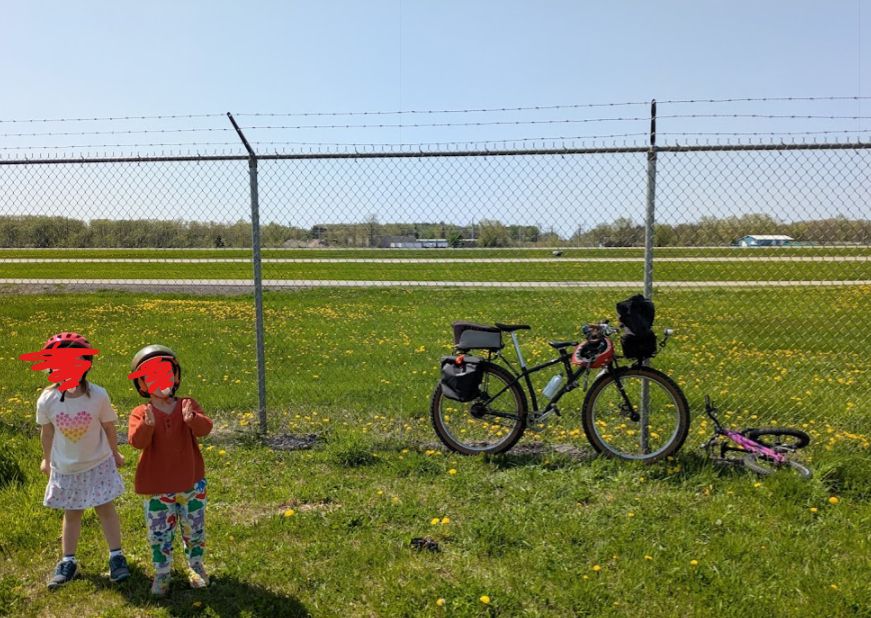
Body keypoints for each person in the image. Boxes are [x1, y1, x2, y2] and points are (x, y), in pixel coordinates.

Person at [27, 332, 129, 589]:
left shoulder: (98, 396)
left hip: (99, 463)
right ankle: (68, 561)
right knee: (72, 514)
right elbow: (47, 431)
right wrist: (46, 460)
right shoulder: (47, 400)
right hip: (67, 468)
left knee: (106, 509)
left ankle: (116, 556)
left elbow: (108, 426)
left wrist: (115, 453)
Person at [127, 345, 213, 597]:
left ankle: (196, 565)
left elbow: (205, 429)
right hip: (157, 490)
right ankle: (162, 573)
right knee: (159, 534)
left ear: (176, 377)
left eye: (165, 374)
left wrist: (191, 420)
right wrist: (146, 427)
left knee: (194, 529)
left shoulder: (188, 404)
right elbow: (136, 442)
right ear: (141, 385)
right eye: (151, 377)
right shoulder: (140, 412)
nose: (160, 381)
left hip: (191, 484)